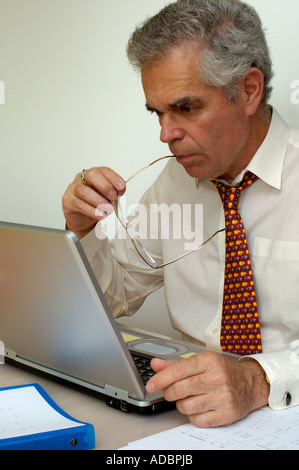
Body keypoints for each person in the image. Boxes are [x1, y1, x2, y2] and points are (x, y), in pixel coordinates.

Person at [62, 0, 299, 428]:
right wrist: (83, 232)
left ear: (248, 90)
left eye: (186, 108)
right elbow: (113, 297)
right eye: (158, 112)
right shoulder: (174, 183)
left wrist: (259, 378)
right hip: (190, 424)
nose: (165, 134)